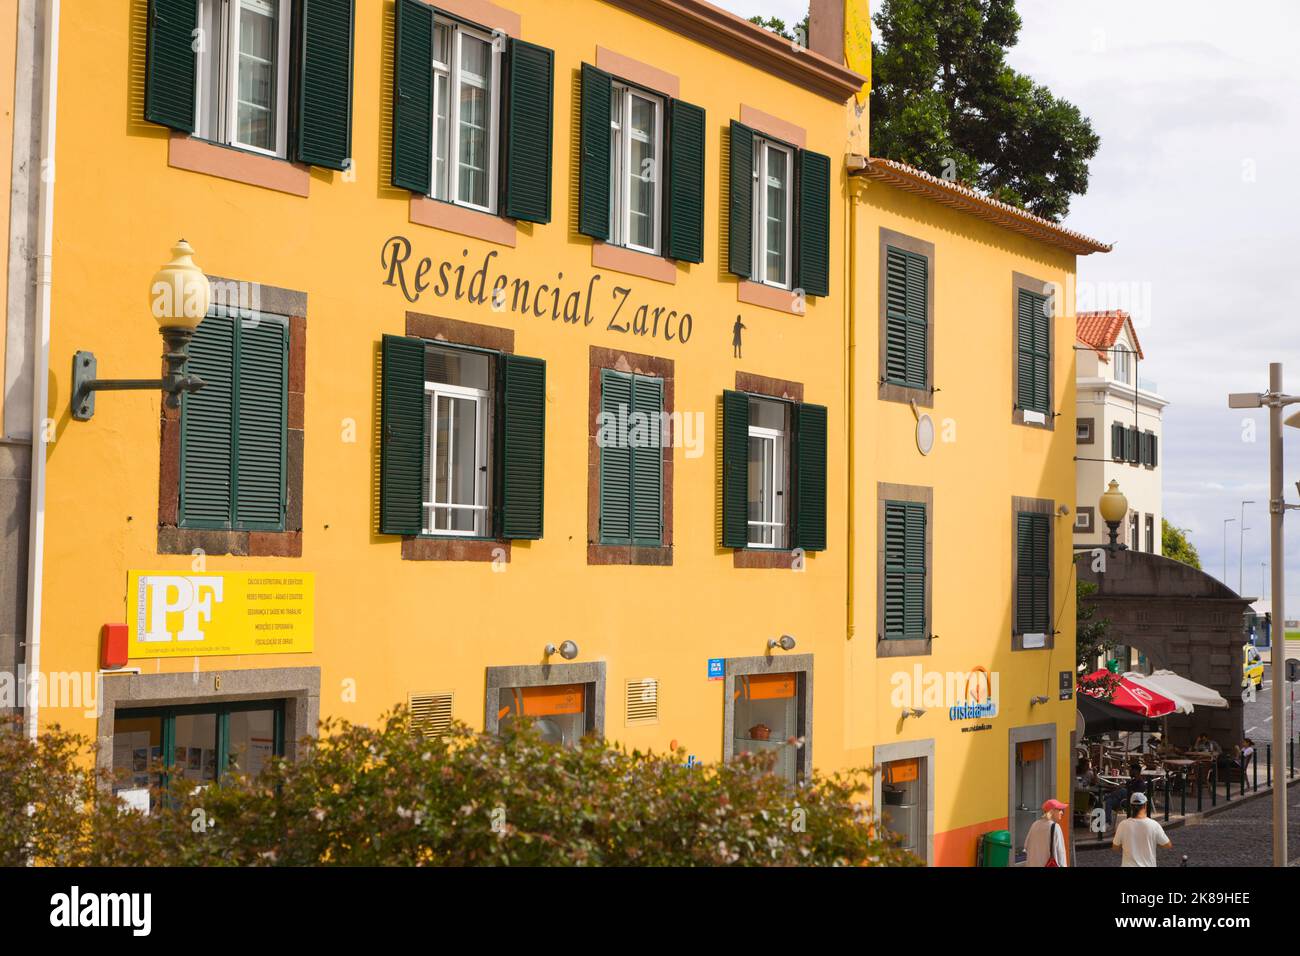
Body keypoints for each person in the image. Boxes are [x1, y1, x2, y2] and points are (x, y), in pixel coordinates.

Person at [1112, 792, 1172, 866]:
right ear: (1145, 805)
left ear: (1131, 806)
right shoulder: (1154, 825)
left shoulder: (1122, 825)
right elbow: (1167, 845)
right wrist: (1153, 842)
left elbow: (1115, 847)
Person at [1023, 798, 1069, 867]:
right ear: (1052, 811)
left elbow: (1026, 846)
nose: (1062, 812)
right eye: (1060, 810)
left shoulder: (1035, 824)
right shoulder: (1055, 827)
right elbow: (1061, 854)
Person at [1102, 758, 1147, 828]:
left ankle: (1106, 796)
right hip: (1122, 801)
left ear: (1135, 771)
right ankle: (1108, 822)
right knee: (1109, 802)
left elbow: (1138, 796)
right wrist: (1121, 787)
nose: (1129, 772)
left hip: (1131, 802)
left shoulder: (1141, 783)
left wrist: (1125, 790)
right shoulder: (1131, 781)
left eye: (1130, 770)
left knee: (1123, 790)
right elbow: (1123, 788)